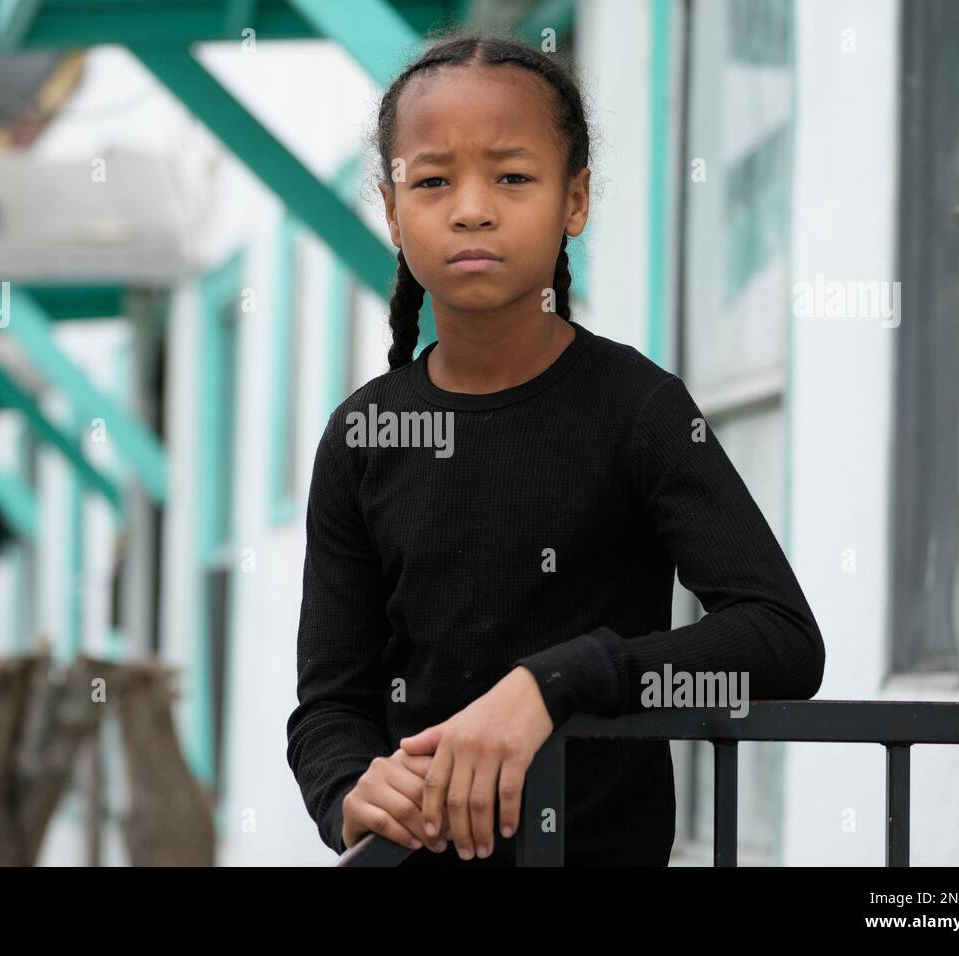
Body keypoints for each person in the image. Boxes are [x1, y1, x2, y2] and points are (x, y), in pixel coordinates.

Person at [285, 28, 825, 866]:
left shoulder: (639, 410)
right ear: (393, 213)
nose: (472, 207)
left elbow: (781, 639)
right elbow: (330, 704)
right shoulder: (362, 439)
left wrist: (556, 682)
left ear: (574, 201)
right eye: (432, 181)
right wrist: (350, 786)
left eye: (512, 176)